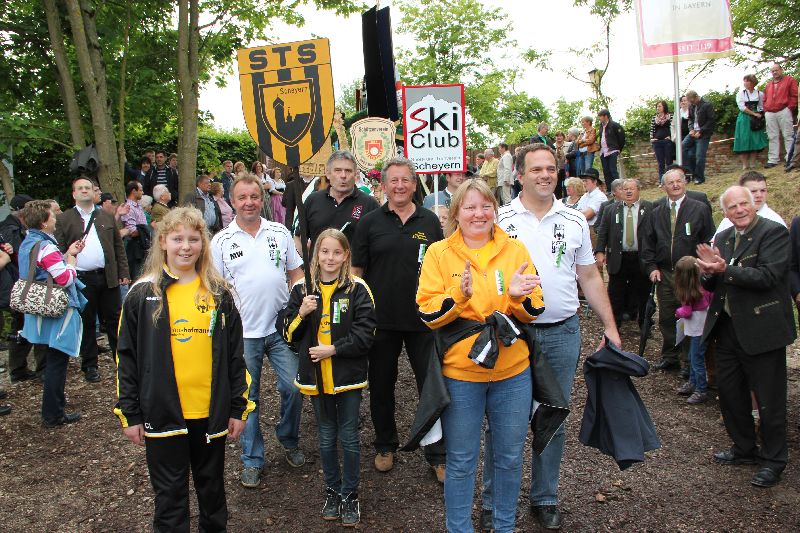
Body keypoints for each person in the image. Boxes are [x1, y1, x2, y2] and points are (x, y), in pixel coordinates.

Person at [488, 143, 620, 531]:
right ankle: (494, 500)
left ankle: (544, 496)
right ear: (519, 176)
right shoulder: (499, 219)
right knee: (503, 420)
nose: (545, 175)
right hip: (512, 333)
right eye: (536, 169)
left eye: (551, 168)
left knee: (553, 418)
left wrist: (610, 326)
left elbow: (589, 276)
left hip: (562, 332)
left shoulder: (574, 219)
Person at [417, 178, 545, 533]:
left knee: (509, 458)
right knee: (460, 460)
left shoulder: (515, 249)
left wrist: (517, 298)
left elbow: (535, 308)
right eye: (470, 207)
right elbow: (428, 313)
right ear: (456, 212)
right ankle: (459, 528)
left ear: (495, 210)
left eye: (486, 206)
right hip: (462, 375)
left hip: (513, 373)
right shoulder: (439, 253)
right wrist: (459, 296)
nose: (479, 214)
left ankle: (504, 526)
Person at [115, 207, 254, 531]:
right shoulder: (143, 293)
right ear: (163, 241)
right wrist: (130, 413)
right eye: (178, 239)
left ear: (203, 244)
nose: (186, 247)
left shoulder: (218, 292)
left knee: (212, 490)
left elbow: (235, 356)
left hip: (210, 413)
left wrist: (238, 406)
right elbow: (127, 358)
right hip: (162, 413)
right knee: (169, 497)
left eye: (194, 239)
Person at [351, 157, 446, 481]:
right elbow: (357, 271)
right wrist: (355, 312)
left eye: (406, 180)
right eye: (394, 180)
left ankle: (437, 453)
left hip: (423, 319)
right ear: (384, 185)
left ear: (415, 184)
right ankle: (384, 445)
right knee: (381, 385)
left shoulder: (430, 221)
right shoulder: (370, 223)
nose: (400, 185)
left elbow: (441, 266)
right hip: (380, 320)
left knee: (430, 387)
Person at [211, 173, 306, 488]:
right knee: (247, 399)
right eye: (242, 197)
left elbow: (295, 271)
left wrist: (296, 305)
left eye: (254, 196)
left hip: (279, 329)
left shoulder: (278, 232)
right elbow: (214, 288)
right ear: (232, 201)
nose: (249, 202)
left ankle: (288, 438)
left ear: (262, 198)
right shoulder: (221, 242)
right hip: (242, 335)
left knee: (294, 387)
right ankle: (252, 459)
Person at [698, 186, 795, 488]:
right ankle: (744, 449)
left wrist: (724, 269)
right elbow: (713, 283)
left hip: (762, 330)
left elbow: (768, 276)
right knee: (730, 394)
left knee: (769, 400)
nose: (739, 210)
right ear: (724, 212)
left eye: (744, 204)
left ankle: (774, 460)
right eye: (732, 207)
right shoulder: (724, 237)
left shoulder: (773, 232)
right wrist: (709, 273)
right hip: (727, 328)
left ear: (754, 204)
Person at [282, 228, 376, 527]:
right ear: (315, 254)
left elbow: (366, 333)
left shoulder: (357, 288)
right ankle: (332, 491)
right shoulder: (302, 289)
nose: (330, 258)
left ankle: (350, 494)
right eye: (325, 251)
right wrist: (301, 313)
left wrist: (334, 349)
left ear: (346, 255)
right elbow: (287, 334)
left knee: (348, 435)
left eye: (337, 252)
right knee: (325, 435)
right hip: (316, 376)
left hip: (346, 376)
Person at [640, 168, 715, 372]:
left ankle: (689, 361)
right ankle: (670, 356)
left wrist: (703, 266)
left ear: (685, 183)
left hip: (691, 273)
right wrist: (651, 267)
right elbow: (648, 243)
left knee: (690, 316)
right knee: (667, 315)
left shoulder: (699, 208)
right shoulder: (656, 212)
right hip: (665, 273)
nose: (675, 185)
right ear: (663, 186)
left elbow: (709, 238)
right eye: (670, 182)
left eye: (678, 181)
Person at [19, 200, 86, 427]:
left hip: (38, 306)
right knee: (58, 361)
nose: (56, 219)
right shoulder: (46, 246)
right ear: (43, 222)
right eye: (53, 216)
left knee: (51, 359)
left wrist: (66, 254)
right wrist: (72, 262)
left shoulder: (28, 243)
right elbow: (64, 278)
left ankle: (53, 409)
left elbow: (41, 269)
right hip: (55, 308)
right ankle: (53, 413)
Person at [56, 178, 129, 383]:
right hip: (81, 278)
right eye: (80, 188)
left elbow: (118, 247)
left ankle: (122, 362)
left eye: (88, 188)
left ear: (94, 192)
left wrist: (123, 271)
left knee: (115, 320)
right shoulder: (64, 219)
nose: (84, 191)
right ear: (74, 194)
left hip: (107, 276)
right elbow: (59, 249)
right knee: (87, 322)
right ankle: (89, 365)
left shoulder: (106, 215)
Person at [0, 194, 47, 384]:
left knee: (25, 325)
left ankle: (21, 369)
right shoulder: (10, 229)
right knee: (26, 325)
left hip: (18, 283)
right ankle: (28, 369)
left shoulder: (17, 228)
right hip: (19, 284)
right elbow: (20, 256)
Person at [594, 178, 654, 327]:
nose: (628, 191)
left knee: (643, 292)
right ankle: (614, 326)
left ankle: (644, 324)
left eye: (631, 188)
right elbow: (603, 232)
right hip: (618, 258)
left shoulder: (650, 208)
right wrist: (600, 251)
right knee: (616, 293)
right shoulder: (611, 209)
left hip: (641, 258)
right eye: (625, 189)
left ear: (638, 190)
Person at [296, 151, 380, 250]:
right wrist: (305, 259)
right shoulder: (313, 200)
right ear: (328, 173)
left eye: (348, 171)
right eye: (338, 170)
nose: (343, 175)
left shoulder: (369, 204)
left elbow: (379, 242)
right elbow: (298, 237)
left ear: (355, 174)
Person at [673, 256, 712, 404]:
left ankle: (701, 389)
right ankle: (693, 382)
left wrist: (678, 312)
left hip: (697, 330)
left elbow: (687, 312)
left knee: (696, 360)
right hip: (703, 327)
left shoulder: (688, 293)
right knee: (694, 356)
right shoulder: (703, 287)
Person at [715, 171, 785, 240]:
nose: (759, 195)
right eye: (753, 191)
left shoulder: (775, 222)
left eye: (763, 190)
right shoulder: (728, 219)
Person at [763, 63, 798, 168]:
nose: (774, 72)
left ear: (781, 70)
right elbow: (764, 98)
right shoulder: (769, 84)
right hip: (770, 112)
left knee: (788, 134)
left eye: (776, 70)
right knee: (772, 136)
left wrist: (789, 108)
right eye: (772, 71)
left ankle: (790, 158)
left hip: (784, 110)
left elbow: (794, 95)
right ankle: (773, 160)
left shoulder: (789, 80)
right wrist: (766, 109)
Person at [733, 74, 768, 170]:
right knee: (743, 140)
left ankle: (752, 163)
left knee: (755, 140)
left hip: (755, 119)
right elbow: (742, 107)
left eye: (747, 81)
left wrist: (760, 114)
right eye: (744, 81)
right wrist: (753, 113)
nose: (745, 83)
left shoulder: (760, 94)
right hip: (744, 119)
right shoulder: (741, 94)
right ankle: (745, 165)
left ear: (752, 82)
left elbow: (761, 106)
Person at [682, 91, 716, 184]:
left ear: (696, 97)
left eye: (691, 101)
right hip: (693, 133)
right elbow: (690, 119)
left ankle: (699, 177)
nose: (690, 103)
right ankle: (689, 173)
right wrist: (691, 129)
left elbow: (711, 120)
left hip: (703, 134)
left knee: (700, 156)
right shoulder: (691, 106)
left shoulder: (707, 105)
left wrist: (701, 131)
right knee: (682, 147)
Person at [597, 109, 625, 184]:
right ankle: (609, 189)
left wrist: (618, 149)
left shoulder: (615, 125)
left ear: (605, 116)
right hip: (603, 152)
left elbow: (621, 137)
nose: (599, 118)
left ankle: (617, 187)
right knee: (606, 171)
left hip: (612, 150)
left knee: (613, 170)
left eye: (600, 116)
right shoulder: (601, 126)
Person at [650, 100, 674, 179]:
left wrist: (671, 136)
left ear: (664, 107)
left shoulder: (670, 116)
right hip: (657, 142)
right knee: (660, 163)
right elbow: (652, 130)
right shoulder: (654, 118)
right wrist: (652, 139)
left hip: (667, 142)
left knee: (669, 161)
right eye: (657, 106)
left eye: (660, 106)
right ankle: (661, 180)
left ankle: (670, 178)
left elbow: (673, 127)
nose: (658, 108)